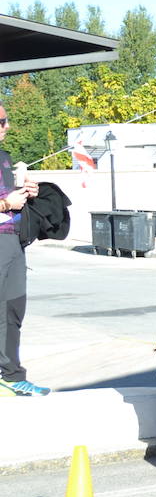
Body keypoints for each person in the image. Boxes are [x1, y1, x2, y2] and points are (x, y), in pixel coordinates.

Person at [0, 107, 46, 396]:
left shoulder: (4, 157)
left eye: (5, 120)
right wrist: (5, 205)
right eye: (1, 121)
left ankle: (10, 374)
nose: (7, 125)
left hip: (13, 241)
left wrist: (27, 191)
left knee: (13, 308)